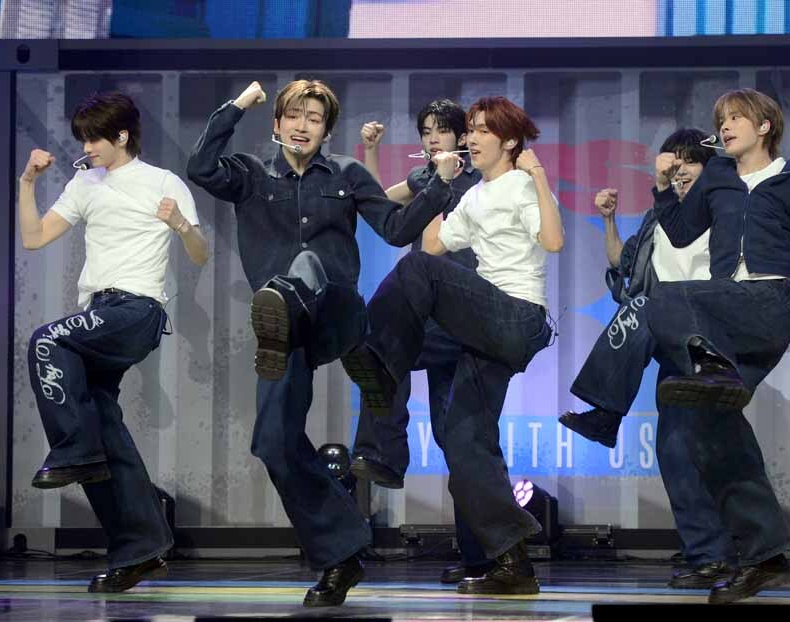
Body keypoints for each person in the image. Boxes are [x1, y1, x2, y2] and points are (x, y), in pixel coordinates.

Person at [561, 88, 790, 603]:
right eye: (722, 119)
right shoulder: (718, 178)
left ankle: (627, 401)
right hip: (725, 312)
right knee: (713, 432)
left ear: (764, 127)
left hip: (771, 303)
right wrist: (662, 189)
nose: (726, 126)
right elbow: (682, 232)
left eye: (736, 118)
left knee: (662, 298)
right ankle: (766, 555)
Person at [186, 79, 447, 607]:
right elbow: (201, 168)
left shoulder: (348, 175)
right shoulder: (250, 174)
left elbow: (396, 229)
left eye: (314, 118)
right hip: (284, 332)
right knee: (273, 443)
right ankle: (340, 552)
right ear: (277, 124)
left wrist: (439, 187)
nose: (302, 126)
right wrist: (238, 105)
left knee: (306, 264)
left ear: (326, 131)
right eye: (294, 116)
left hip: (336, 311)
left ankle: (358, 348)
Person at [343, 96, 562, 595]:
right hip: (483, 332)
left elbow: (552, 242)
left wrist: (538, 175)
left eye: (482, 130)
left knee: (413, 278)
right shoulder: (474, 196)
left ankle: (381, 397)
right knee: (466, 444)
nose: (472, 138)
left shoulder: (520, 183)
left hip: (518, 316)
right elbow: (435, 244)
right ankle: (512, 564)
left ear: (509, 140)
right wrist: (437, 187)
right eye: (472, 130)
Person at [21, 91, 208, 592]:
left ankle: (71, 449)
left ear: (121, 135)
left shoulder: (163, 182)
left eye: (93, 139)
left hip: (137, 310)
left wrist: (180, 224)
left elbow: (199, 253)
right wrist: (27, 182)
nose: (86, 148)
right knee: (103, 430)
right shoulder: (86, 183)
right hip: (98, 314)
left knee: (46, 341)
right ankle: (140, 549)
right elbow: (34, 238)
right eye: (83, 139)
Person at [562, 128, 738, 588]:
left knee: (701, 450)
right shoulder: (661, 217)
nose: (678, 172)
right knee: (675, 450)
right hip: (667, 340)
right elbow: (624, 267)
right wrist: (608, 221)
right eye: (671, 164)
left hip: (705, 339)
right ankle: (708, 553)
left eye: (688, 163)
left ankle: (605, 414)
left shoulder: (717, 210)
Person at [352, 100, 492, 585]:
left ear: (462, 137)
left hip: (464, 312)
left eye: (442, 130)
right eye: (426, 131)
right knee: (458, 439)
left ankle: (384, 453)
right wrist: (371, 151)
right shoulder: (425, 180)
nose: (433, 138)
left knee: (390, 346)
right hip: (429, 313)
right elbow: (377, 204)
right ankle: (481, 557)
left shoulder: (480, 182)